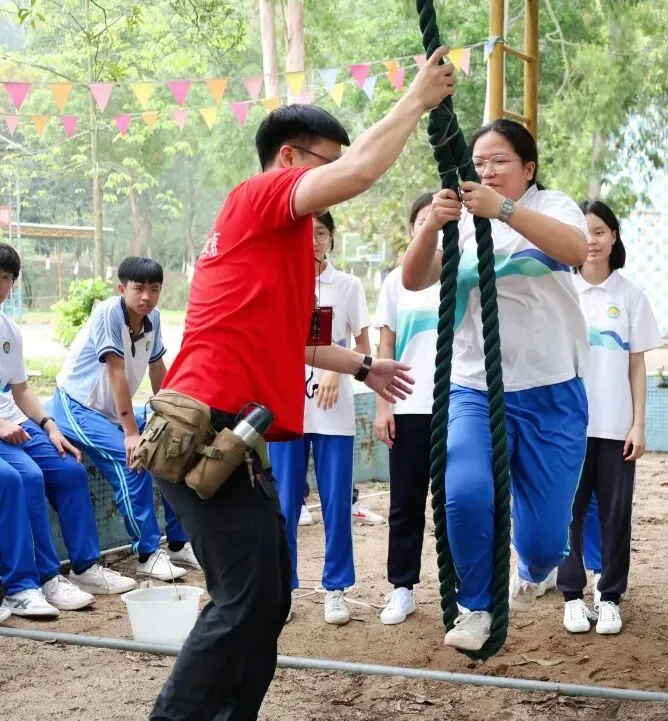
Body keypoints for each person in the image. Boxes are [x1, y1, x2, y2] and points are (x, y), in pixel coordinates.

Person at [148, 48, 453, 721]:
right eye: (323, 165)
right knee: (243, 598)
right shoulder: (257, 198)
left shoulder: (279, 249)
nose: (333, 186)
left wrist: (362, 366)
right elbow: (363, 169)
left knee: (268, 596)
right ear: (287, 159)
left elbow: (299, 342)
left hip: (233, 436)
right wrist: (417, 99)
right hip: (201, 428)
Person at [402, 119, 590, 652]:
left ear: (528, 168)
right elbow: (414, 278)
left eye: (499, 160)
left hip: (551, 390)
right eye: (479, 162)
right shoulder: (462, 222)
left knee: (545, 545)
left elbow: (576, 250)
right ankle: (477, 607)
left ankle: (533, 568)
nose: (486, 170)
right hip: (474, 387)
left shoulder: (552, 207)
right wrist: (430, 226)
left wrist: (502, 209)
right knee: (463, 494)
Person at [0, 243, 131, 619]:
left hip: (17, 421)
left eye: (6, 277)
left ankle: (85, 567)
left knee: (69, 469)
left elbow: (22, 390)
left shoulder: (9, 330)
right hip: (3, 427)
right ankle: (31, 582)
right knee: (25, 478)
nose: (0, 284)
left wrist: (50, 426)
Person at [51, 257, 196, 583]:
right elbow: (116, 373)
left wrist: (171, 414)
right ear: (122, 288)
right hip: (77, 405)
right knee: (133, 458)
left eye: (154, 289)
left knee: (173, 444)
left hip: (115, 410)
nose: (146, 296)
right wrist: (131, 433)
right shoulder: (109, 313)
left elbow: (157, 367)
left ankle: (179, 543)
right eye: (138, 288)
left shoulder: (153, 318)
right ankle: (147, 553)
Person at [557, 200, 662, 636]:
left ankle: (610, 597)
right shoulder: (561, 290)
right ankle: (572, 597)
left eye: (599, 231)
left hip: (615, 427)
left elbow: (637, 366)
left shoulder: (630, 295)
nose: (592, 241)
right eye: (584, 232)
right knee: (567, 514)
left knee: (616, 515)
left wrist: (638, 424)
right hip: (568, 427)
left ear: (613, 236)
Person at [268, 210, 370, 626]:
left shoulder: (347, 286)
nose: (313, 241)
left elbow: (363, 345)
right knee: (284, 504)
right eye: (306, 234)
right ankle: (283, 588)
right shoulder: (279, 282)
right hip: (287, 409)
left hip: (333, 412)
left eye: (322, 233)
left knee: (336, 502)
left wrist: (334, 371)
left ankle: (336, 588)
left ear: (331, 238)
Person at [374, 192, 439, 625]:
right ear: (414, 228)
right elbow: (385, 347)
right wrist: (385, 406)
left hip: (458, 403)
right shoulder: (397, 281)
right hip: (409, 404)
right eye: (422, 220)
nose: (430, 227)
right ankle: (402, 587)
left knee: (455, 502)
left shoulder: (463, 273)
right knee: (406, 502)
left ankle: (463, 589)